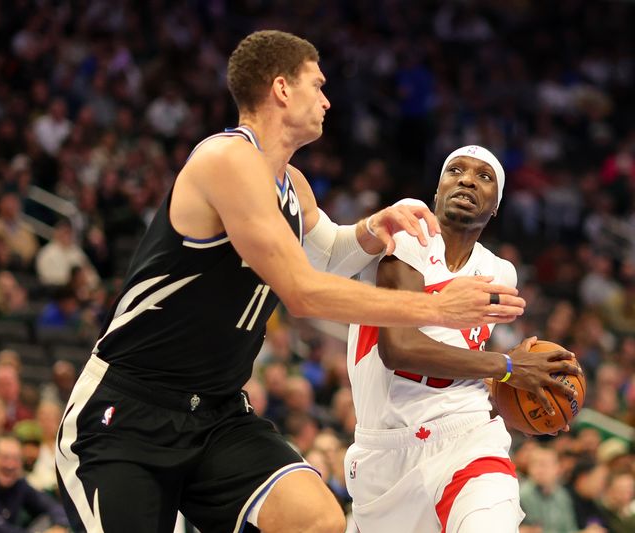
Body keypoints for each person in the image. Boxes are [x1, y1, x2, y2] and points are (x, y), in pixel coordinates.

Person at [56, 31, 527, 533]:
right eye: (318, 85)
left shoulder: (292, 182)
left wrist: (373, 228)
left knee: (318, 520)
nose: (327, 99)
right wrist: (437, 308)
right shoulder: (227, 160)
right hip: (129, 411)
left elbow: (326, 255)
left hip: (216, 412)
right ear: (282, 89)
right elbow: (303, 291)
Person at [343, 145, 582, 532]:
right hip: (384, 453)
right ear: (436, 192)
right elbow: (399, 349)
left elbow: (462, 354)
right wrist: (507, 368)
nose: (468, 179)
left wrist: (525, 398)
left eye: (484, 176)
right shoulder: (406, 237)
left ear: (496, 205)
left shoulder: (500, 272)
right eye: (455, 170)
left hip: (468, 440)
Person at [0, 434, 69, 533]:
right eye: (5, 458)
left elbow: (53, 507)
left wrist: (60, 526)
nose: (10, 465)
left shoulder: (19, 484)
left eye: (16, 459)